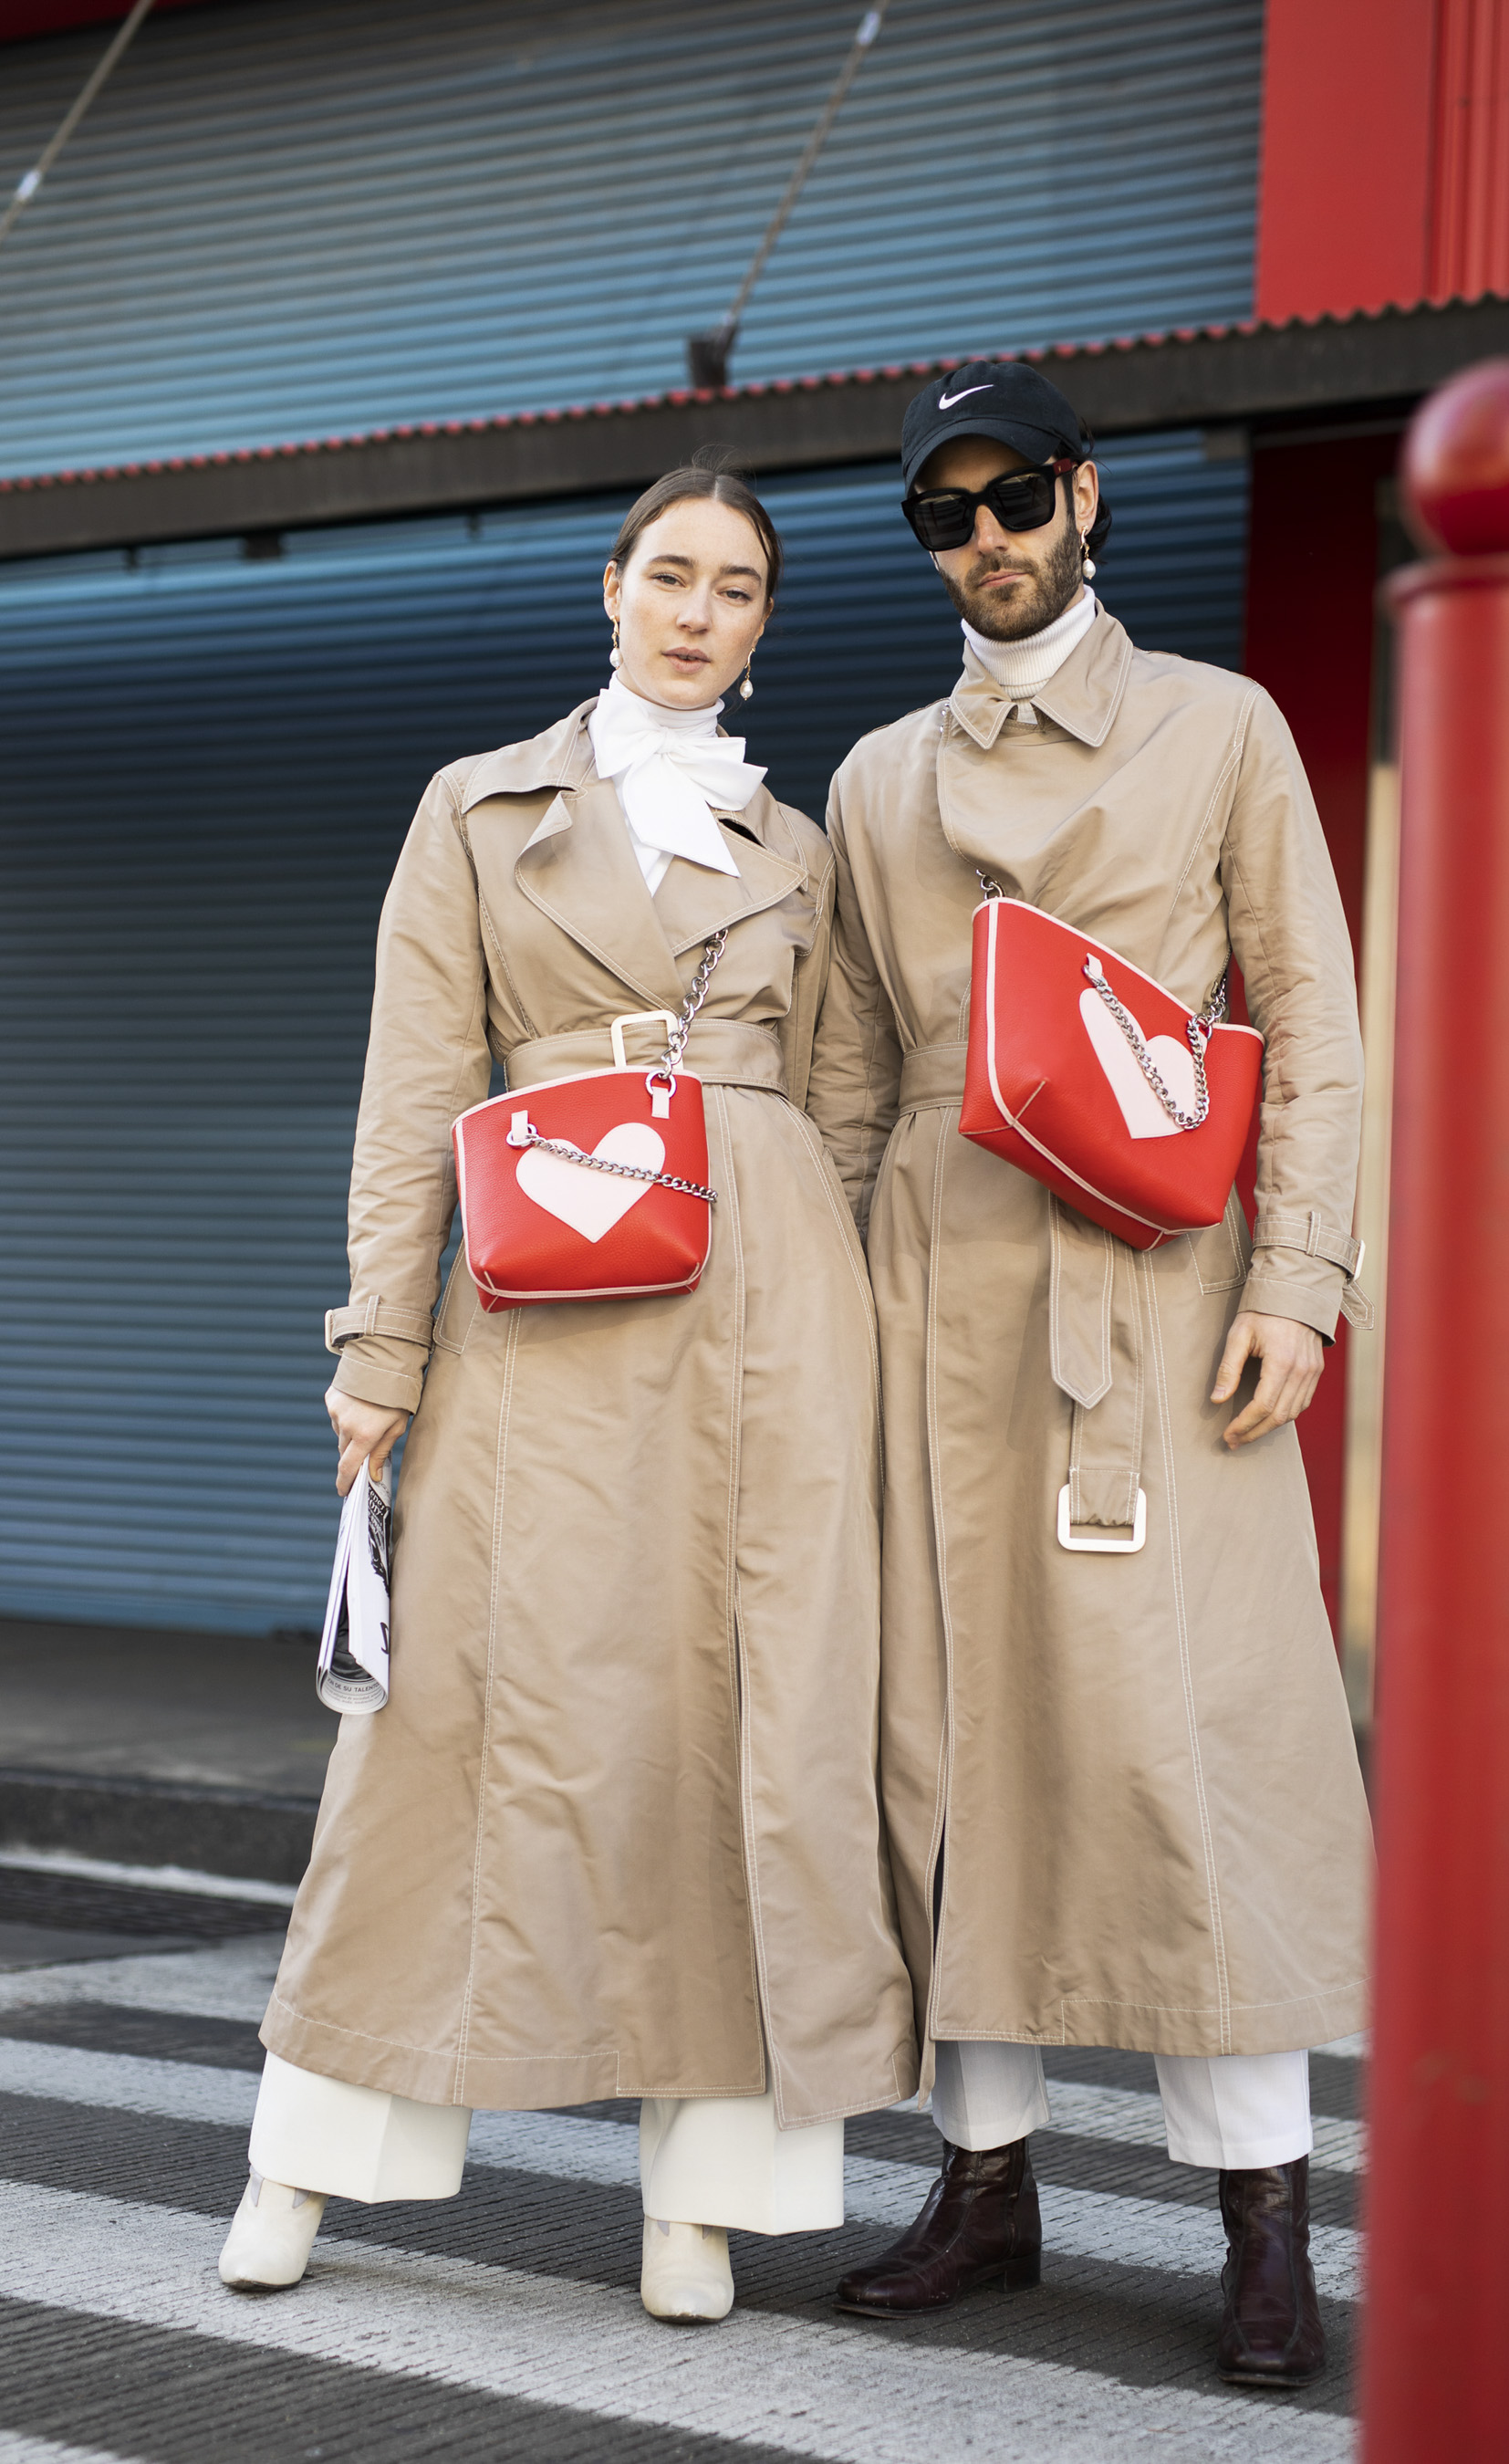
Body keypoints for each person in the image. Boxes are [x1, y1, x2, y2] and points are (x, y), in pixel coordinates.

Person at [217, 461, 915, 2323]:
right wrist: (384, 1342)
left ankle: (707, 2201)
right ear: (610, 589)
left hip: (767, 1301)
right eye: (670, 574)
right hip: (548, 1268)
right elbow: (410, 1084)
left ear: (764, 624)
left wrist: (847, 1313)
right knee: (445, 1726)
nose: (699, 611)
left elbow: (846, 1102)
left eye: (739, 589)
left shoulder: (799, 840)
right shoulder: (479, 804)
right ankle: (314, 2157)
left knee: (749, 1737)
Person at [806, 361, 1373, 2387]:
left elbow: (1310, 1016)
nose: (988, 539)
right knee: (953, 1752)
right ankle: (986, 2184)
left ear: (1085, 493)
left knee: (1195, 1747)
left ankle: (1262, 2210)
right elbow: (850, 1083)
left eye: (1015, 495)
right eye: (946, 515)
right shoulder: (876, 783)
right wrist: (826, 1341)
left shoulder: (1222, 726)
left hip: (1163, 1296)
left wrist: (1297, 1283)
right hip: (934, 1320)